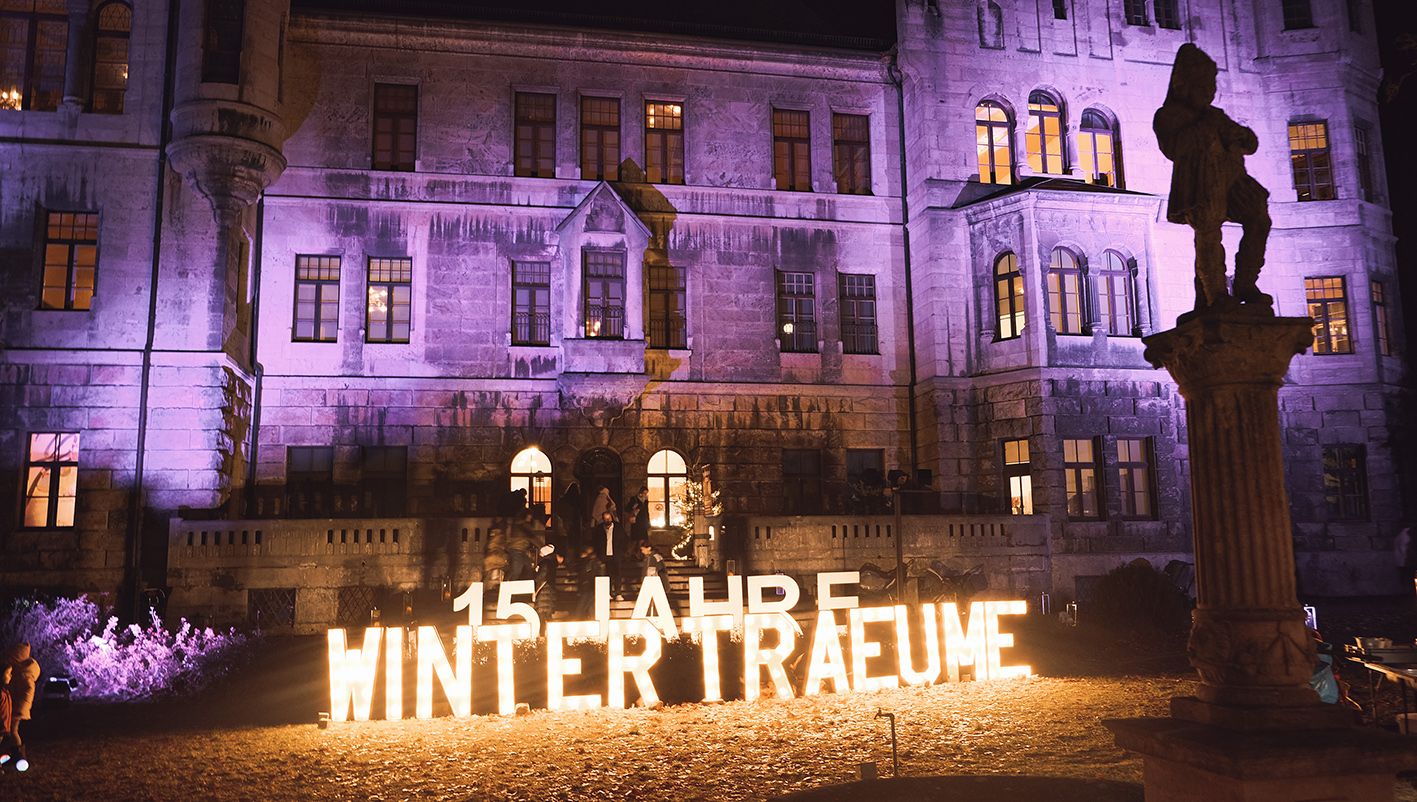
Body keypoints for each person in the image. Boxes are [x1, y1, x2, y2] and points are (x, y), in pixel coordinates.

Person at [1153, 43, 1271, 316]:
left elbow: (1250, 142)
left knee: (1259, 219)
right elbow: (1173, 147)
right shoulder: (1169, 115)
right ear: (1186, 85)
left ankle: (1245, 283)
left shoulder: (1214, 115)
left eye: (1212, 84)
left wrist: (1243, 136)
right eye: (1204, 84)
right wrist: (1207, 129)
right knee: (1208, 231)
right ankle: (1214, 294)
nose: (1210, 91)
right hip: (1200, 184)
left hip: (1233, 180)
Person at [7, 643, 38, 772]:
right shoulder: (24, 673)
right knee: (12, 730)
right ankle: (16, 754)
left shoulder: (24, 675)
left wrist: (20, 707)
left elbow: (25, 691)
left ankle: (18, 756)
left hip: (18, 707)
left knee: (12, 730)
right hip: (18, 706)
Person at [595, 510, 628, 600]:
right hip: (605, 555)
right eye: (605, 519)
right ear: (603, 519)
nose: (607, 520)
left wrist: (623, 552)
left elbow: (624, 540)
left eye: (609, 518)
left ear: (611, 518)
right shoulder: (599, 529)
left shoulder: (618, 527)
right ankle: (608, 592)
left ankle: (618, 593)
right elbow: (596, 542)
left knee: (617, 574)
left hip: (616, 554)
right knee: (607, 574)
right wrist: (599, 554)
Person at [534, 544, 563, 632]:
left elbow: (540, 576)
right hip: (549, 589)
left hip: (544, 590)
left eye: (541, 552)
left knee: (542, 613)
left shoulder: (544, 563)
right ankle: (549, 632)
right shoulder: (551, 563)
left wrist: (535, 575)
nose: (540, 553)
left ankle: (542, 633)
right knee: (547, 614)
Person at [574, 545, 605, 620]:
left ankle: (582, 618)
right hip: (588, 587)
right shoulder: (587, 562)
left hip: (591, 587)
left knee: (584, 605)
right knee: (588, 606)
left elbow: (597, 574)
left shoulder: (594, 563)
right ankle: (588, 618)